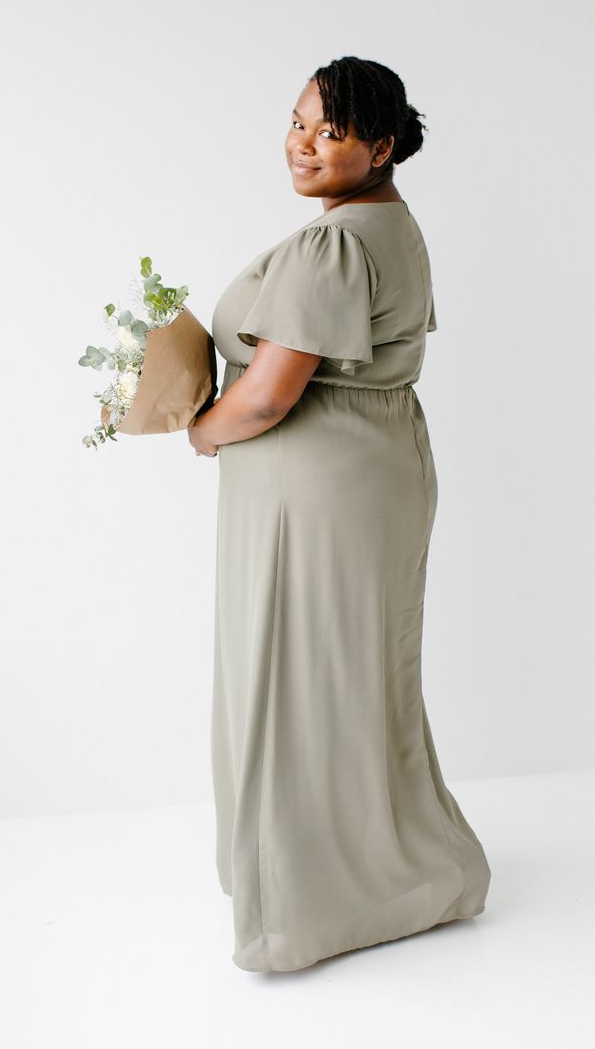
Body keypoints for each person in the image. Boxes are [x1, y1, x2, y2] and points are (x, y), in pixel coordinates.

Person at [188, 55, 491, 972]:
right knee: (353, 681)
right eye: (298, 121)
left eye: (332, 131)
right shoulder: (390, 227)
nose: (305, 144)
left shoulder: (336, 242)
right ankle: (400, 873)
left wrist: (202, 430)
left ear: (383, 147)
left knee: (297, 680)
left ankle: (306, 912)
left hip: (317, 490)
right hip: (368, 470)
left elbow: (270, 397)